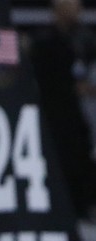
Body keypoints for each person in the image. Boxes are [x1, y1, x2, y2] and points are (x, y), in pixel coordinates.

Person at [29, 0, 96, 219]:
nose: (77, 8)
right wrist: (73, 88)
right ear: (57, 8)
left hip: (83, 120)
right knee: (59, 166)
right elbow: (44, 82)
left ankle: (84, 207)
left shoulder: (85, 38)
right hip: (55, 120)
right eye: (71, 3)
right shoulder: (45, 42)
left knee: (82, 164)